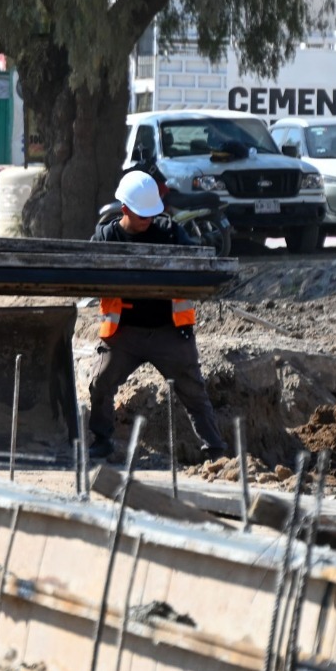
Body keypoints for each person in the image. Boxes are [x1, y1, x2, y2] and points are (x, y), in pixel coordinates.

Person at [86, 171, 228, 462]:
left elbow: (195, 260)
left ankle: (215, 451)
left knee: (193, 391)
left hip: (169, 331)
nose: (148, 220)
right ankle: (101, 440)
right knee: (101, 383)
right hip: (124, 333)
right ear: (125, 209)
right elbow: (87, 267)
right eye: (142, 216)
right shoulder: (106, 236)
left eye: (152, 214)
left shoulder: (170, 231)